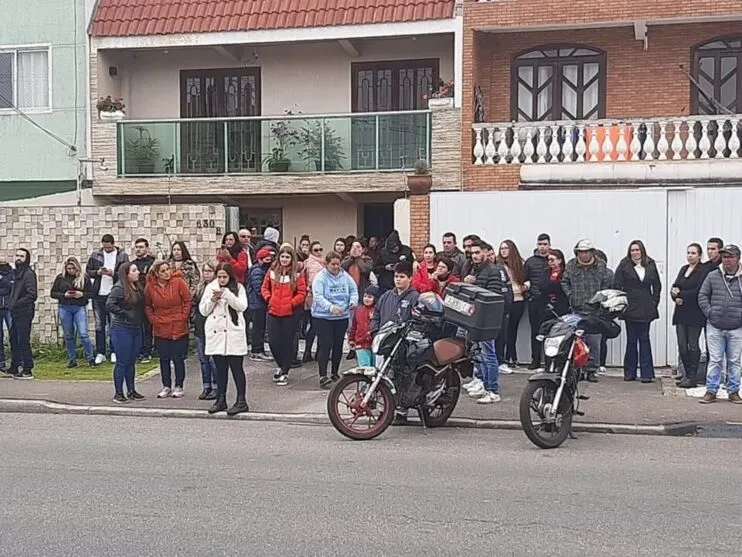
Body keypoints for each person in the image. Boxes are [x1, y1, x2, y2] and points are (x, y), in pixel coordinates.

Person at [200, 263, 250, 416]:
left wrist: (227, 294)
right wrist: (213, 300)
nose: (222, 280)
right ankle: (221, 399)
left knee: (236, 369)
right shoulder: (210, 288)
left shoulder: (238, 288)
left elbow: (242, 306)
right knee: (220, 369)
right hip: (217, 334)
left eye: (225, 277)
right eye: (219, 276)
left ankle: (241, 400)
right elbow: (203, 310)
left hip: (233, 333)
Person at [561, 239, 612, 383]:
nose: (583, 255)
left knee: (594, 341)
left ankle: (591, 370)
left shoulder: (601, 266)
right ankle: (577, 369)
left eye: (586, 252)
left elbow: (606, 284)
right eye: (581, 252)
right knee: (577, 341)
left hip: (595, 311)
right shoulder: (571, 265)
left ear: (591, 252)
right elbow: (564, 281)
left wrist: (600, 299)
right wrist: (570, 295)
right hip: (576, 309)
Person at [697, 244, 742, 404]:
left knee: (734, 361)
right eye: (724, 257)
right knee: (715, 360)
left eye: (730, 257)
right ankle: (711, 391)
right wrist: (710, 312)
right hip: (715, 325)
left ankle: (734, 391)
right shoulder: (713, 275)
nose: (727, 260)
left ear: (738, 258)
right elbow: (702, 295)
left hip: (737, 327)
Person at [461, 241, 504, 404]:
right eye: (472, 253)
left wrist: (474, 283)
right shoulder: (476, 269)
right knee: (479, 353)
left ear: (487, 252)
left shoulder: (492, 270)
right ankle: (484, 385)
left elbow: (492, 296)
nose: (475, 256)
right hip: (476, 317)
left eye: (478, 252)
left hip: (487, 320)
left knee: (489, 354)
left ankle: (492, 390)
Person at [614, 240, 662, 383]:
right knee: (631, 340)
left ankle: (647, 374)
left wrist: (654, 302)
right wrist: (622, 304)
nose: (635, 253)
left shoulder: (650, 264)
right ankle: (630, 372)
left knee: (645, 339)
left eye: (637, 250)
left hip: (646, 307)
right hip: (630, 307)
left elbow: (657, 285)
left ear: (642, 250)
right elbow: (617, 285)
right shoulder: (624, 265)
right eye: (632, 250)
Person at [145, 260, 193, 399]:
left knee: (178, 358)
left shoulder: (178, 282)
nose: (167, 273)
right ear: (156, 274)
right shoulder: (150, 287)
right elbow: (148, 305)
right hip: (160, 325)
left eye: (168, 270)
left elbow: (187, 300)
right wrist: (153, 319)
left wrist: (183, 317)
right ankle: (166, 385)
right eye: (163, 271)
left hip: (178, 324)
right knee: (164, 358)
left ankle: (179, 385)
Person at [261, 244, 307, 386]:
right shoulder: (272, 271)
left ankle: (284, 371)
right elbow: (264, 287)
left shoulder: (297, 273)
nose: (285, 259)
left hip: (290, 314)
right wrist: (269, 299)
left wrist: (291, 304)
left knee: (287, 343)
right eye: (282, 256)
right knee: (273, 342)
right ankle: (281, 366)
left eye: (287, 257)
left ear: (291, 258)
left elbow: (302, 292)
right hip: (273, 311)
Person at [312, 251, 359, 388]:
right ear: (327, 264)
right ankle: (322, 375)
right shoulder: (320, 277)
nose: (336, 267)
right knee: (326, 344)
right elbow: (318, 296)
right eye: (333, 264)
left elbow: (353, 290)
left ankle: (335, 372)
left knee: (338, 345)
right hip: (323, 316)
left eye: (338, 264)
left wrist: (353, 301)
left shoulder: (345, 276)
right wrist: (330, 307)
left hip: (341, 316)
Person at [86, 234, 129, 365]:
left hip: (114, 293)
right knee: (99, 325)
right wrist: (98, 272)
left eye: (109, 247)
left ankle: (114, 351)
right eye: (105, 247)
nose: (107, 249)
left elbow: (126, 272)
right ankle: (100, 352)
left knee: (113, 325)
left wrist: (113, 274)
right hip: (99, 293)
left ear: (113, 244)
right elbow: (88, 271)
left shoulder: (122, 256)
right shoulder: (95, 255)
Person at [106, 263, 146, 403]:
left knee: (131, 361)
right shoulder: (119, 288)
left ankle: (131, 390)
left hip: (135, 327)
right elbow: (110, 304)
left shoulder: (136, 287)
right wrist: (123, 313)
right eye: (134, 270)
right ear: (126, 274)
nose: (138, 272)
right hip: (122, 328)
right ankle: (118, 393)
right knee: (122, 362)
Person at [671, 243, 707, 389]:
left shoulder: (703, 271)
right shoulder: (683, 269)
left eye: (693, 253)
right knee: (682, 344)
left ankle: (693, 376)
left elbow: (698, 290)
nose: (690, 256)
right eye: (688, 253)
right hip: (680, 312)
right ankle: (686, 373)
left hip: (694, 312)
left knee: (692, 345)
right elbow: (675, 286)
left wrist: (680, 294)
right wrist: (674, 296)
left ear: (699, 255)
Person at [50, 257, 96, 368]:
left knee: (83, 333)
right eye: (69, 268)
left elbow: (92, 293)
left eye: (73, 268)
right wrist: (64, 295)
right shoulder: (61, 278)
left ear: (77, 268)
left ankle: (90, 358)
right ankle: (72, 359)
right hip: (65, 307)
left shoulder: (84, 278)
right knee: (68, 335)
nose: (71, 271)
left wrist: (82, 294)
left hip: (79, 307)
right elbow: (53, 293)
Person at [497, 240, 527, 372]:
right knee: (503, 331)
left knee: (512, 330)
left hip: (518, 299)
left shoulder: (520, 263)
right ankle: (503, 358)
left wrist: (526, 286)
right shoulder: (498, 265)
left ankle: (512, 356)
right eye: (501, 248)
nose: (503, 250)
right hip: (505, 300)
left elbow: (528, 279)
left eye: (506, 248)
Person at [8, 248, 37, 379]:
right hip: (15, 312)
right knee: (13, 339)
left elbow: (32, 294)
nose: (18, 258)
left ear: (27, 258)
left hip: (24, 311)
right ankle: (15, 365)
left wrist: (16, 303)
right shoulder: (16, 273)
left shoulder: (29, 274)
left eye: (22, 256)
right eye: (17, 255)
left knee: (23, 340)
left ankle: (27, 368)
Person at [524, 233, 551, 371]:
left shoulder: (553, 260)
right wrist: (529, 294)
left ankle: (548, 361)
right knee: (535, 332)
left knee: (549, 333)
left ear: (549, 245)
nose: (542, 247)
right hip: (534, 301)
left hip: (549, 303)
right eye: (540, 244)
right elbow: (524, 280)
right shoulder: (530, 262)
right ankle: (535, 360)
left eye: (545, 244)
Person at [193, 262, 218, 400]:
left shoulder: (216, 288)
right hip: (200, 326)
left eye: (210, 271)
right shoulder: (200, 288)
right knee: (203, 360)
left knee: (213, 360)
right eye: (205, 271)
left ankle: (216, 386)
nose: (207, 273)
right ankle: (206, 385)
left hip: (212, 327)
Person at [247, 246, 274, 362]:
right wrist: (268, 298)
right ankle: (256, 351)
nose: (269, 262)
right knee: (258, 328)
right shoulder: (258, 271)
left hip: (259, 303)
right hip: (257, 304)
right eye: (266, 260)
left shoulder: (261, 270)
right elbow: (259, 289)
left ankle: (258, 350)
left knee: (260, 328)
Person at [131, 238, 155, 363]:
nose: (139, 249)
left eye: (141, 247)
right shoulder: (133, 264)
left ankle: (147, 351)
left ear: (146, 248)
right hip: (136, 299)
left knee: (148, 326)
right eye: (137, 247)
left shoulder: (152, 263)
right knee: (137, 326)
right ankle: (137, 350)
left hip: (149, 299)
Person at [302, 241, 325, 363]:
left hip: (314, 298)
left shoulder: (320, 262)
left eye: (320, 249)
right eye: (316, 250)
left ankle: (311, 352)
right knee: (316, 326)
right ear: (311, 252)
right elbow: (313, 281)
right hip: (314, 298)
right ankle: (311, 352)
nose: (319, 252)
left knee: (315, 326)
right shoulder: (313, 264)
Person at [349, 286, 378, 368]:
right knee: (365, 367)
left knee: (375, 367)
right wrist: (351, 339)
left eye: (370, 297)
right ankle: (363, 381)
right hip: (360, 343)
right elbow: (354, 326)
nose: (366, 299)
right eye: (365, 296)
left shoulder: (377, 311)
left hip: (374, 344)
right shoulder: (358, 310)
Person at [542, 249, 570, 317]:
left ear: (559, 260)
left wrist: (551, 285)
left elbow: (562, 286)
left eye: (552, 260)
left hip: (562, 303)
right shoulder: (546, 272)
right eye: (548, 260)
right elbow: (541, 286)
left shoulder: (565, 272)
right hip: (547, 303)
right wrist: (553, 285)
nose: (550, 262)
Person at [0, 257, 13, 372]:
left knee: (13, 334)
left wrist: (2, 279)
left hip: (9, 307)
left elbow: (12, 287)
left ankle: (16, 361)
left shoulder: (12, 273)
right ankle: (1, 362)